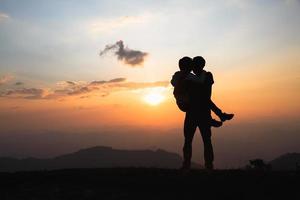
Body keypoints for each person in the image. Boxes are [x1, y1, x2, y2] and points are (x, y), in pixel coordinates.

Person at [172, 56, 234, 171]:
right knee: (198, 140)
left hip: (196, 112)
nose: (194, 69)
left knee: (197, 140)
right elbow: (204, 97)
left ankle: (196, 165)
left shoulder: (202, 77)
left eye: (195, 66)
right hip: (199, 112)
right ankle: (199, 165)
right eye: (193, 66)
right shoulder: (193, 79)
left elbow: (205, 97)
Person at [171, 57, 233, 127]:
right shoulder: (189, 76)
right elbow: (200, 81)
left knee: (203, 98)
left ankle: (214, 118)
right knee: (204, 99)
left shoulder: (177, 74)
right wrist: (203, 73)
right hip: (188, 104)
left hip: (181, 103)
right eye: (191, 66)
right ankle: (215, 117)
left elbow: (173, 82)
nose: (192, 69)